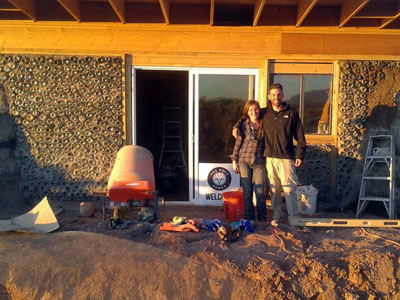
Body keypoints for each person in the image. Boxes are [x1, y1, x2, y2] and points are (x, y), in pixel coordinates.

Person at [233, 83, 306, 227]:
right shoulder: (265, 113)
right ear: (269, 96)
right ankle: (277, 217)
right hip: (269, 157)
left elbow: (300, 136)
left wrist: (299, 155)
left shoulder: (291, 113)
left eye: (278, 94)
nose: (276, 97)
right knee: (274, 190)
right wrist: (235, 126)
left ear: (282, 95)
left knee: (289, 189)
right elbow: (247, 116)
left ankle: (294, 218)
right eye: (273, 95)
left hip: (286, 157)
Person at [230, 100, 267, 222]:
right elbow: (238, 142)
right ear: (247, 111)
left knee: (260, 191)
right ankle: (249, 218)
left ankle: (262, 218)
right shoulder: (243, 124)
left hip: (259, 161)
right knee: (247, 191)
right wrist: (234, 160)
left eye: (255, 109)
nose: (253, 112)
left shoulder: (264, 122)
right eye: (250, 109)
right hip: (244, 160)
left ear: (259, 110)